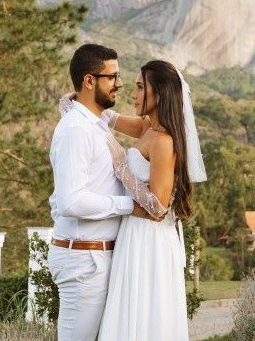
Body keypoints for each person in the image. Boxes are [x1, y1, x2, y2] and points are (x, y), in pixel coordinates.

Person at [47, 44, 158, 341]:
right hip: (84, 261)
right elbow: (71, 201)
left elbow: (148, 126)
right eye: (112, 77)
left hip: (96, 257)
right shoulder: (76, 130)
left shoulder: (96, 123)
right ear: (89, 81)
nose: (119, 84)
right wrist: (130, 205)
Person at [96, 60, 207, 341]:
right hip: (133, 232)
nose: (133, 94)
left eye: (139, 87)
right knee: (129, 313)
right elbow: (109, 118)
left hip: (149, 238)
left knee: (146, 314)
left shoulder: (163, 141)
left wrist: (121, 165)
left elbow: (158, 206)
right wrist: (77, 104)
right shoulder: (148, 128)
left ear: (159, 93)